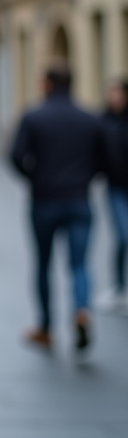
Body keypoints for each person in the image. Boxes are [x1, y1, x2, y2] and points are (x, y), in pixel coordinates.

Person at [11, 61, 109, 351]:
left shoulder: (33, 116)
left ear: (48, 84)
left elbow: (16, 156)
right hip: (80, 200)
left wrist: (35, 178)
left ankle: (45, 327)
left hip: (44, 201)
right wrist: (85, 179)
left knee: (43, 264)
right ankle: (81, 311)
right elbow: (105, 160)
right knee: (79, 264)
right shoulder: (90, 119)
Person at [98, 79, 128, 313]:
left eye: (117, 92)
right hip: (116, 187)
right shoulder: (103, 120)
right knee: (123, 235)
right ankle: (119, 286)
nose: (113, 96)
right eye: (111, 92)